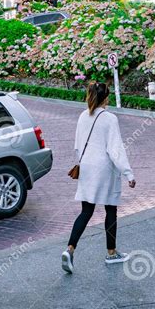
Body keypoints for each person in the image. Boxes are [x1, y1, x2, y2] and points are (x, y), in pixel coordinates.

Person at [61, 82, 136, 274]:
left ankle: (70, 249)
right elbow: (115, 149)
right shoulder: (110, 118)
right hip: (104, 169)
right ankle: (111, 253)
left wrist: (83, 163)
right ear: (105, 98)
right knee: (110, 208)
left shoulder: (82, 116)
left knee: (86, 211)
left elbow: (77, 146)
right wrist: (128, 173)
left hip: (86, 167)